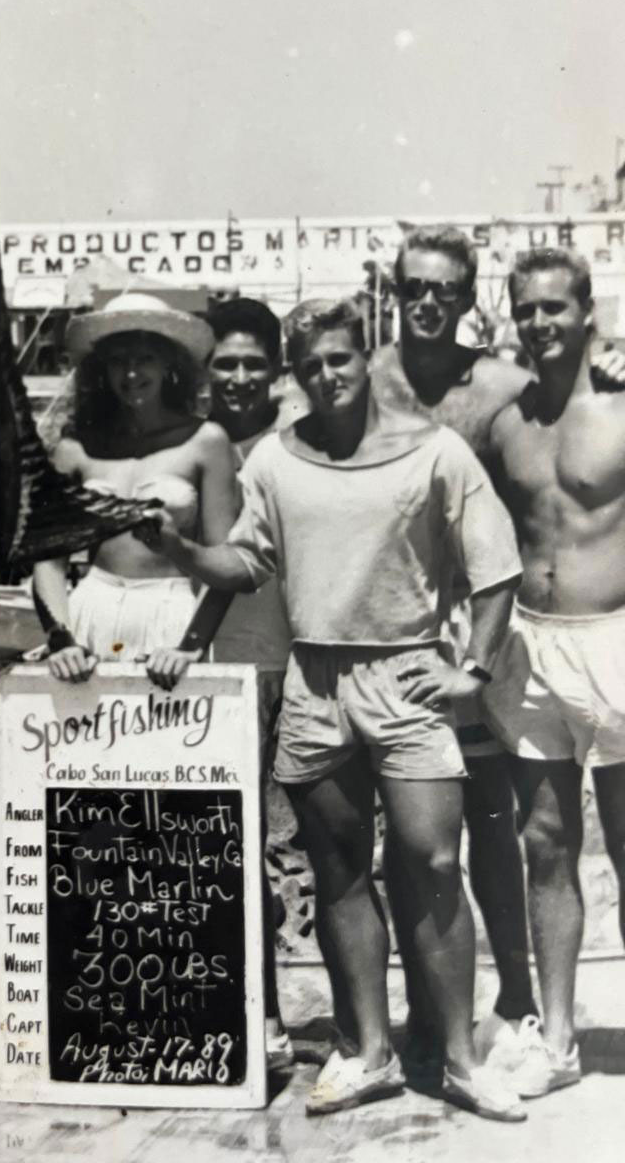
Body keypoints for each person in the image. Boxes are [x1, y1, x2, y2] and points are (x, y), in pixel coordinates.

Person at [141, 298, 525, 1122]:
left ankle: (461, 1058)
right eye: (310, 365)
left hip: (408, 679)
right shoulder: (275, 461)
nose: (327, 376)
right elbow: (243, 562)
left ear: (365, 355)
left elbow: (496, 569)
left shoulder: (436, 450)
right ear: (296, 373)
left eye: (340, 360)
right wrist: (176, 548)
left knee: (429, 863)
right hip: (316, 683)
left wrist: (474, 671)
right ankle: (368, 1052)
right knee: (339, 875)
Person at [368, 226, 540, 1083]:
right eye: (414, 289)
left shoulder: (503, 388)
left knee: (495, 827)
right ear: (395, 292)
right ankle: (430, 1008)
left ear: (469, 297)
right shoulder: (361, 380)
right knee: (408, 840)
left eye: (445, 290)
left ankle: (516, 998)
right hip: (393, 638)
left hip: (478, 635)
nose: (428, 302)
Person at [483, 248, 625, 1098]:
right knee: (544, 842)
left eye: (554, 309)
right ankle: (560, 1038)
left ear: (586, 314)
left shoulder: (622, 409)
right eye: (526, 310)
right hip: (530, 647)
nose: (540, 324)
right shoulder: (507, 424)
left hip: (613, 640)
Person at [31, 292, 239, 690]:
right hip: (89, 613)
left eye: (144, 358)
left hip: (175, 617)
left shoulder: (206, 441)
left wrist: (191, 645)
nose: (130, 374)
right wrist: (60, 638)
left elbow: (223, 560)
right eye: (117, 361)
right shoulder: (75, 448)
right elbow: (48, 560)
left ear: (168, 364)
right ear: (100, 371)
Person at [191, 298, 298, 1069]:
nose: (237, 377)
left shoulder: (300, 443)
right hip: (211, 670)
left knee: (297, 852)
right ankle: (238, 1006)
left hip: (292, 665)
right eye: (223, 363)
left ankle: (273, 1013)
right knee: (218, 853)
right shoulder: (192, 444)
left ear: (277, 370)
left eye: (252, 363)